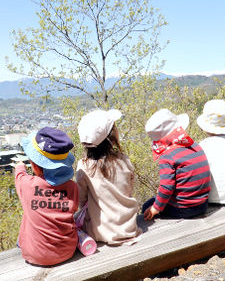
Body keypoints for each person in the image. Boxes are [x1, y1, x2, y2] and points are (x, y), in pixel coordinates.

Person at [15, 127, 79, 266]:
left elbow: (19, 177)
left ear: (36, 167)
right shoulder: (72, 187)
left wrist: (20, 166)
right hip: (67, 250)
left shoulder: (28, 185)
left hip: (35, 255)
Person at [75, 109, 140, 245]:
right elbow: (128, 190)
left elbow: (82, 200)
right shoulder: (123, 160)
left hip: (99, 231)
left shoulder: (83, 167)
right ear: (111, 137)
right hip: (129, 227)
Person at [142, 109, 211, 220]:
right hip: (203, 203)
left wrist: (156, 208)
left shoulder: (167, 156)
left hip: (184, 208)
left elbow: (166, 187)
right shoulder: (193, 145)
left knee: (148, 205)